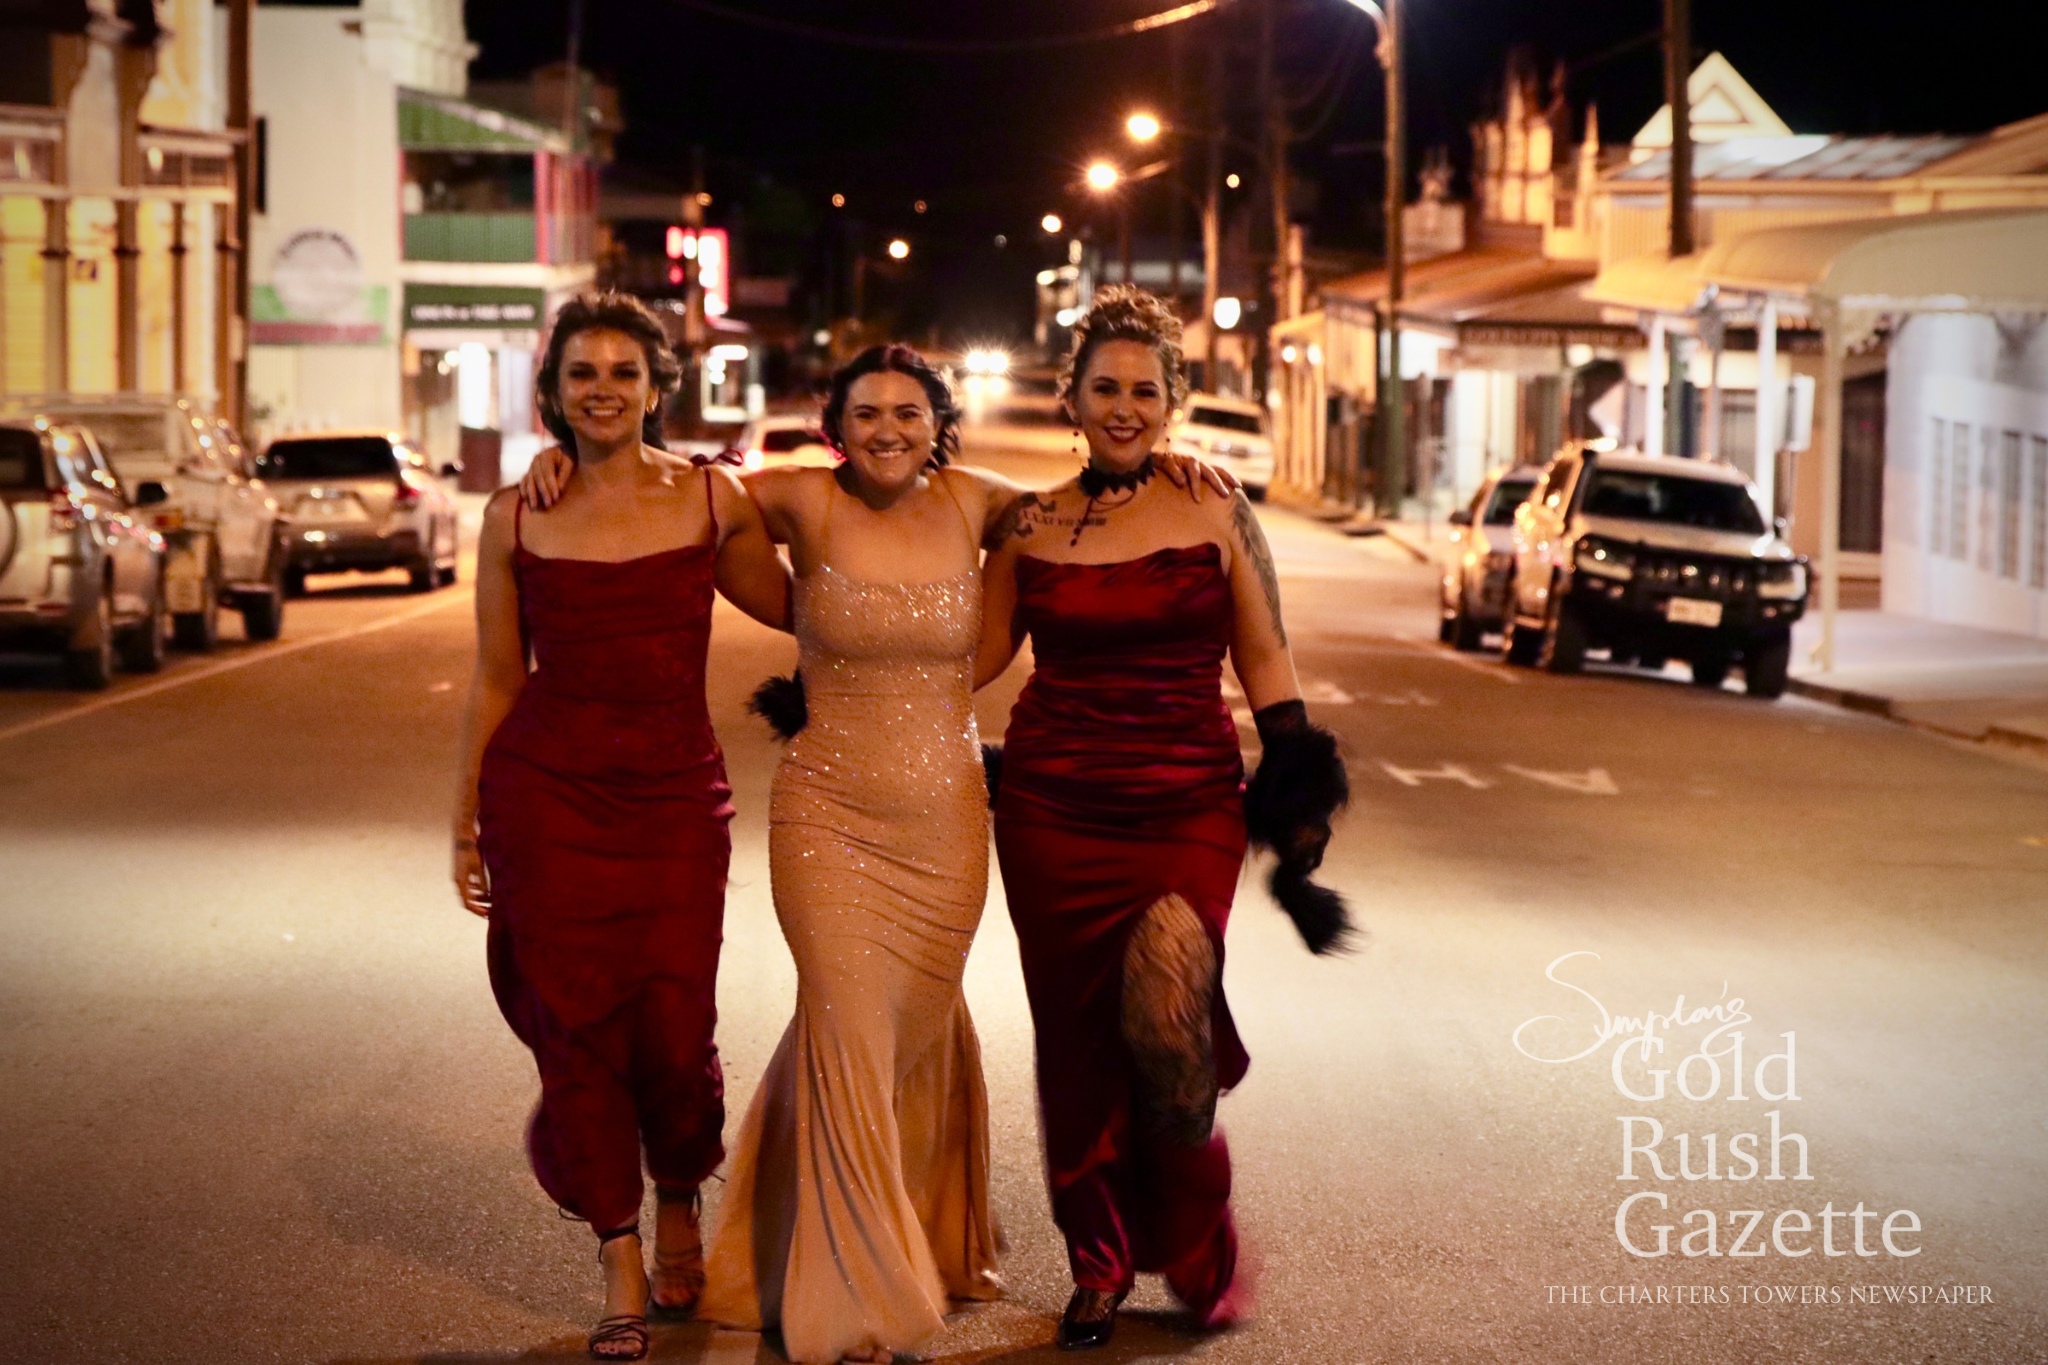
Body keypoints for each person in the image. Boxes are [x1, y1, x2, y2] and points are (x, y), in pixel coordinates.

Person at [519, 343, 1235, 1364]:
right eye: (865, 414)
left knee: (901, 1042)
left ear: (937, 425)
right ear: (836, 426)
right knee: (849, 1027)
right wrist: (575, 457)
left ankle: (863, 1235)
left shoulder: (983, 504)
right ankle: (855, 1294)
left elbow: (1096, 497)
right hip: (826, 815)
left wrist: (1170, 465)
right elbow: (671, 493)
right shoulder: (795, 503)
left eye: (907, 413)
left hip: (945, 824)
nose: (886, 430)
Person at [977, 286, 1351, 1350]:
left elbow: (1266, 655)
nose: (1125, 406)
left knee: (1165, 1028)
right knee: (1077, 1046)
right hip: (1051, 806)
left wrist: (1297, 793)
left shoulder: (1214, 505)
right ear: (1071, 398)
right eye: (1105, 387)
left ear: (1173, 400)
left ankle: (1196, 1241)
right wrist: (851, 680)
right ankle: (1095, 1264)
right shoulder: (1029, 522)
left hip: (1187, 800)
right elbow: (975, 659)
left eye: (1145, 388)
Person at [451, 291, 790, 1362]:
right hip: (545, 796)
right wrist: (466, 821)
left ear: (656, 388)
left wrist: (944, 517)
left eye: (622, 373)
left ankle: (681, 1189)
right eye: (580, 374)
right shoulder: (514, 515)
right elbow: (498, 677)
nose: (602, 390)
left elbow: (799, 600)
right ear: (552, 392)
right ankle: (620, 1257)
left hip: (675, 800)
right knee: (576, 1030)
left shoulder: (709, 501)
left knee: (676, 1023)